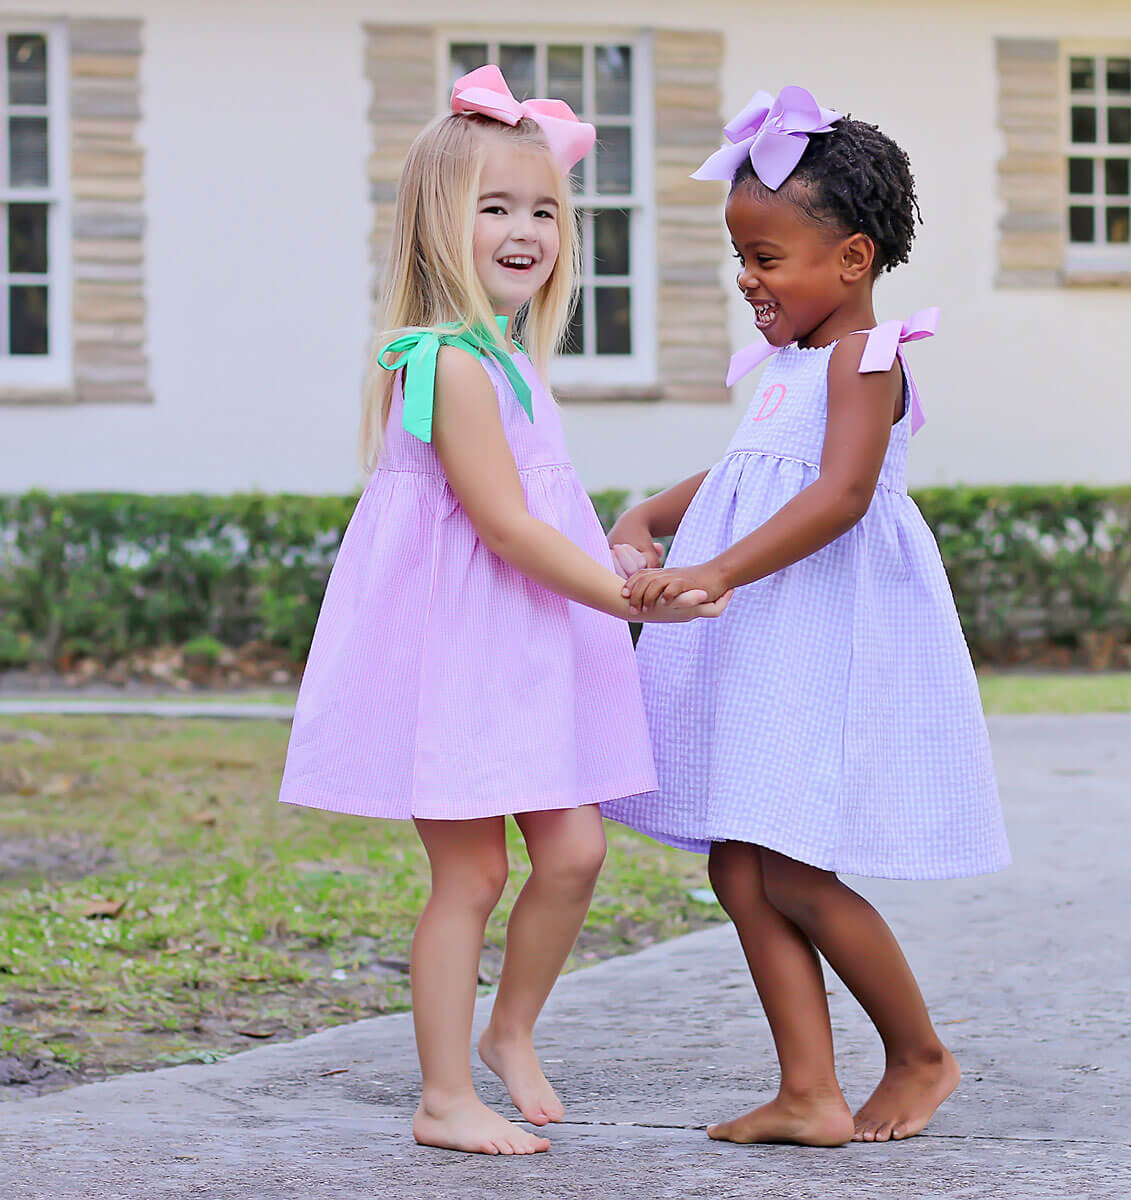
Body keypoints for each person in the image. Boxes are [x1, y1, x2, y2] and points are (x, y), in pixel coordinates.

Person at [279, 64, 728, 1157]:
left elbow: (545, 513)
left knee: (574, 853)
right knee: (473, 873)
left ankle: (509, 1028)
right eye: (495, 208)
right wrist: (627, 599)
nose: (525, 231)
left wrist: (613, 547)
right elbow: (506, 530)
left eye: (543, 211)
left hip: (525, 643)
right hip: (459, 654)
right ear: (438, 224)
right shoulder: (445, 364)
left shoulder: (509, 358)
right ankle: (443, 1096)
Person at [604, 86, 1010, 1147]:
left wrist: (720, 569)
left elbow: (839, 494)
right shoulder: (793, 365)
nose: (747, 277)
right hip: (766, 634)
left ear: (853, 259)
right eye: (740, 256)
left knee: (789, 865)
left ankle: (921, 1054)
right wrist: (651, 515)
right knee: (738, 864)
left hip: (820, 633)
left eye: (767, 257)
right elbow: (751, 467)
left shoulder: (869, 357)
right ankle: (808, 1091)